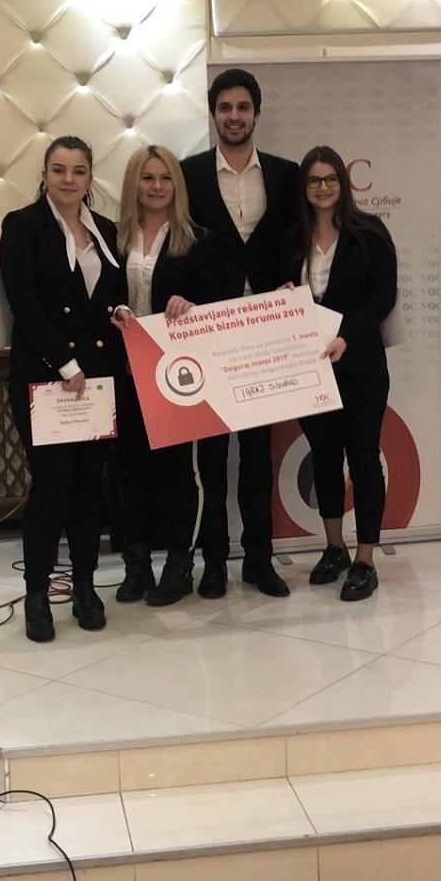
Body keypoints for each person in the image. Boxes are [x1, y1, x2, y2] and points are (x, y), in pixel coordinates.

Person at [0, 135, 125, 642]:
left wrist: (119, 311)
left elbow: (107, 296)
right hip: (45, 378)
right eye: (59, 170)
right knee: (51, 486)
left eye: (78, 171)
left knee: (89, 487)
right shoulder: (22, 226)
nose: (68, 179)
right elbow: (24, 304)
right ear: (45, 175)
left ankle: (86, 586)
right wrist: (65, 363)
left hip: (94, 382)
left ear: (90, 177)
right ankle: (37, 593)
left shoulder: (107, 230)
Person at [181, 67, 298, 599]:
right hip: (209, 332)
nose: (234, 116)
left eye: (243, 107)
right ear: (213, 114)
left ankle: (258, 559)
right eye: (225, 107)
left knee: (257, 456)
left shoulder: (286, 174)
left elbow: (295, 241)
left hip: (265, 336)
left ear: (257, 114)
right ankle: (212, 562)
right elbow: (178, 246)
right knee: (210, 458)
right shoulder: (187, 175)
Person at [281, 145, 398, 601]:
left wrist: (346, 336)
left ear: (342, 184)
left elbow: (383, 296)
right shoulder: (293, 239)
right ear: (304, 187)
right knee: (324, 458)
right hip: (310, 370)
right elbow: (279, 296)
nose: (323, 187)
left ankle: (365, 559)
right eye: (314, 180)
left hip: (361, 367)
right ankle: (334, 548)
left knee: (364, 458)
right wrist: (284, 294)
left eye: (330, 179)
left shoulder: (369, 232)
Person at [113, 144, 209, 606]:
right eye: (148, 178)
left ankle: (178, 565)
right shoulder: (112, 238)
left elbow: (216, 302)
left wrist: (192, 305)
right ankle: (136, 567)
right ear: (134, 184)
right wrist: (113, 310)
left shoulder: (197, 239)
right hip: (124, 370)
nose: (156, 186)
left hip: (175, 373)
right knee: (128, 470)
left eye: (165, 178)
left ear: (177, 184)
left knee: (176, 472)